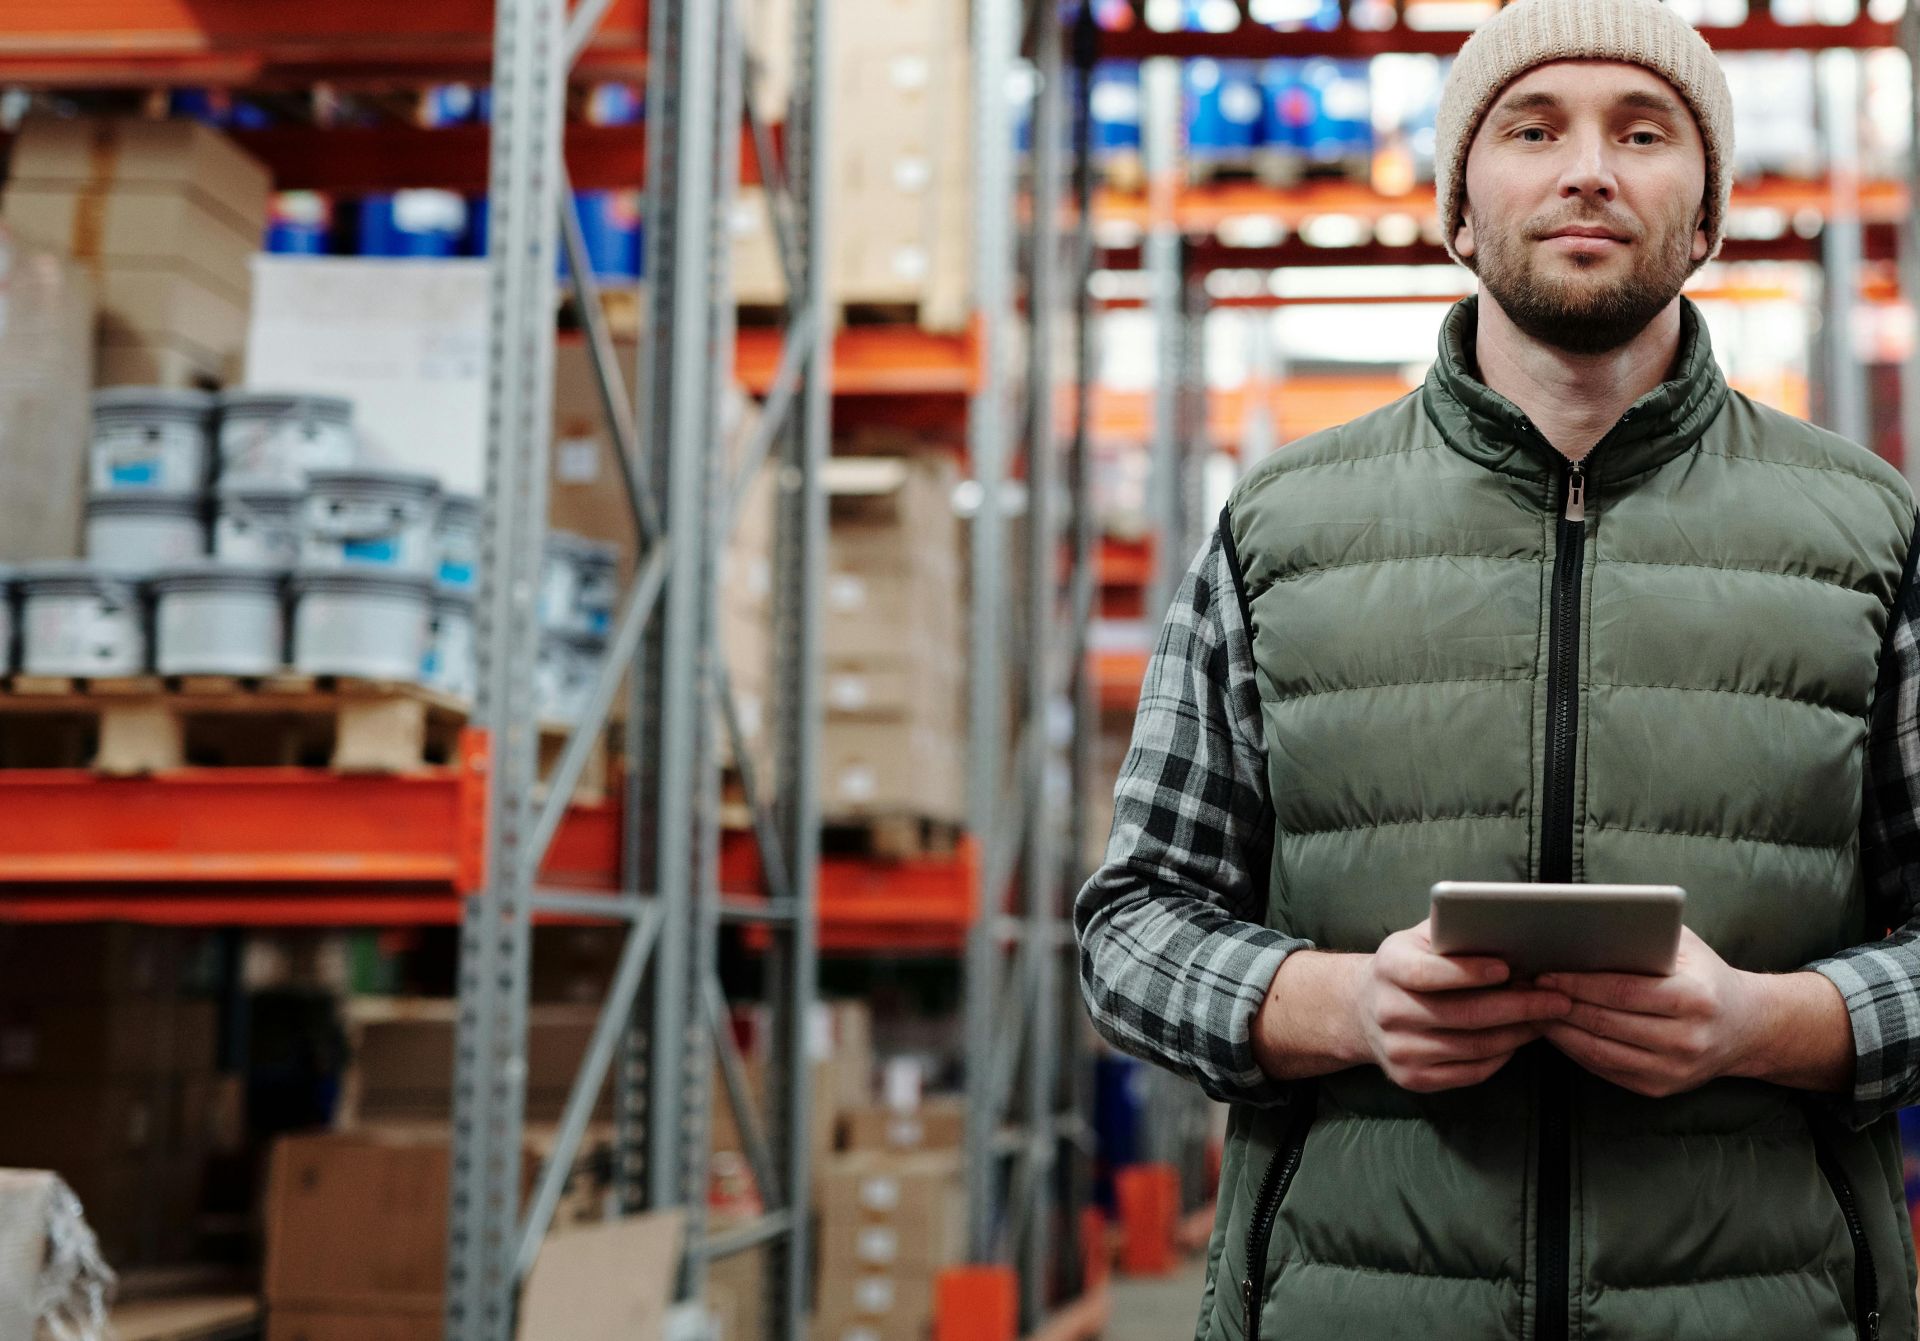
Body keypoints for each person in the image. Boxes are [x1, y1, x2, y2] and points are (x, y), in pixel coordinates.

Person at [1074, 0, 1920, 1337]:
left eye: (1644, 131)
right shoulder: (1277, 531)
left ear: (1706, 216)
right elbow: (1130, 928)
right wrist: (1345, 1004)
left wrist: (1765, 1022)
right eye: (1533, 127)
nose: (1589, 165)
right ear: (1459, 207)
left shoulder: (1872, 537)